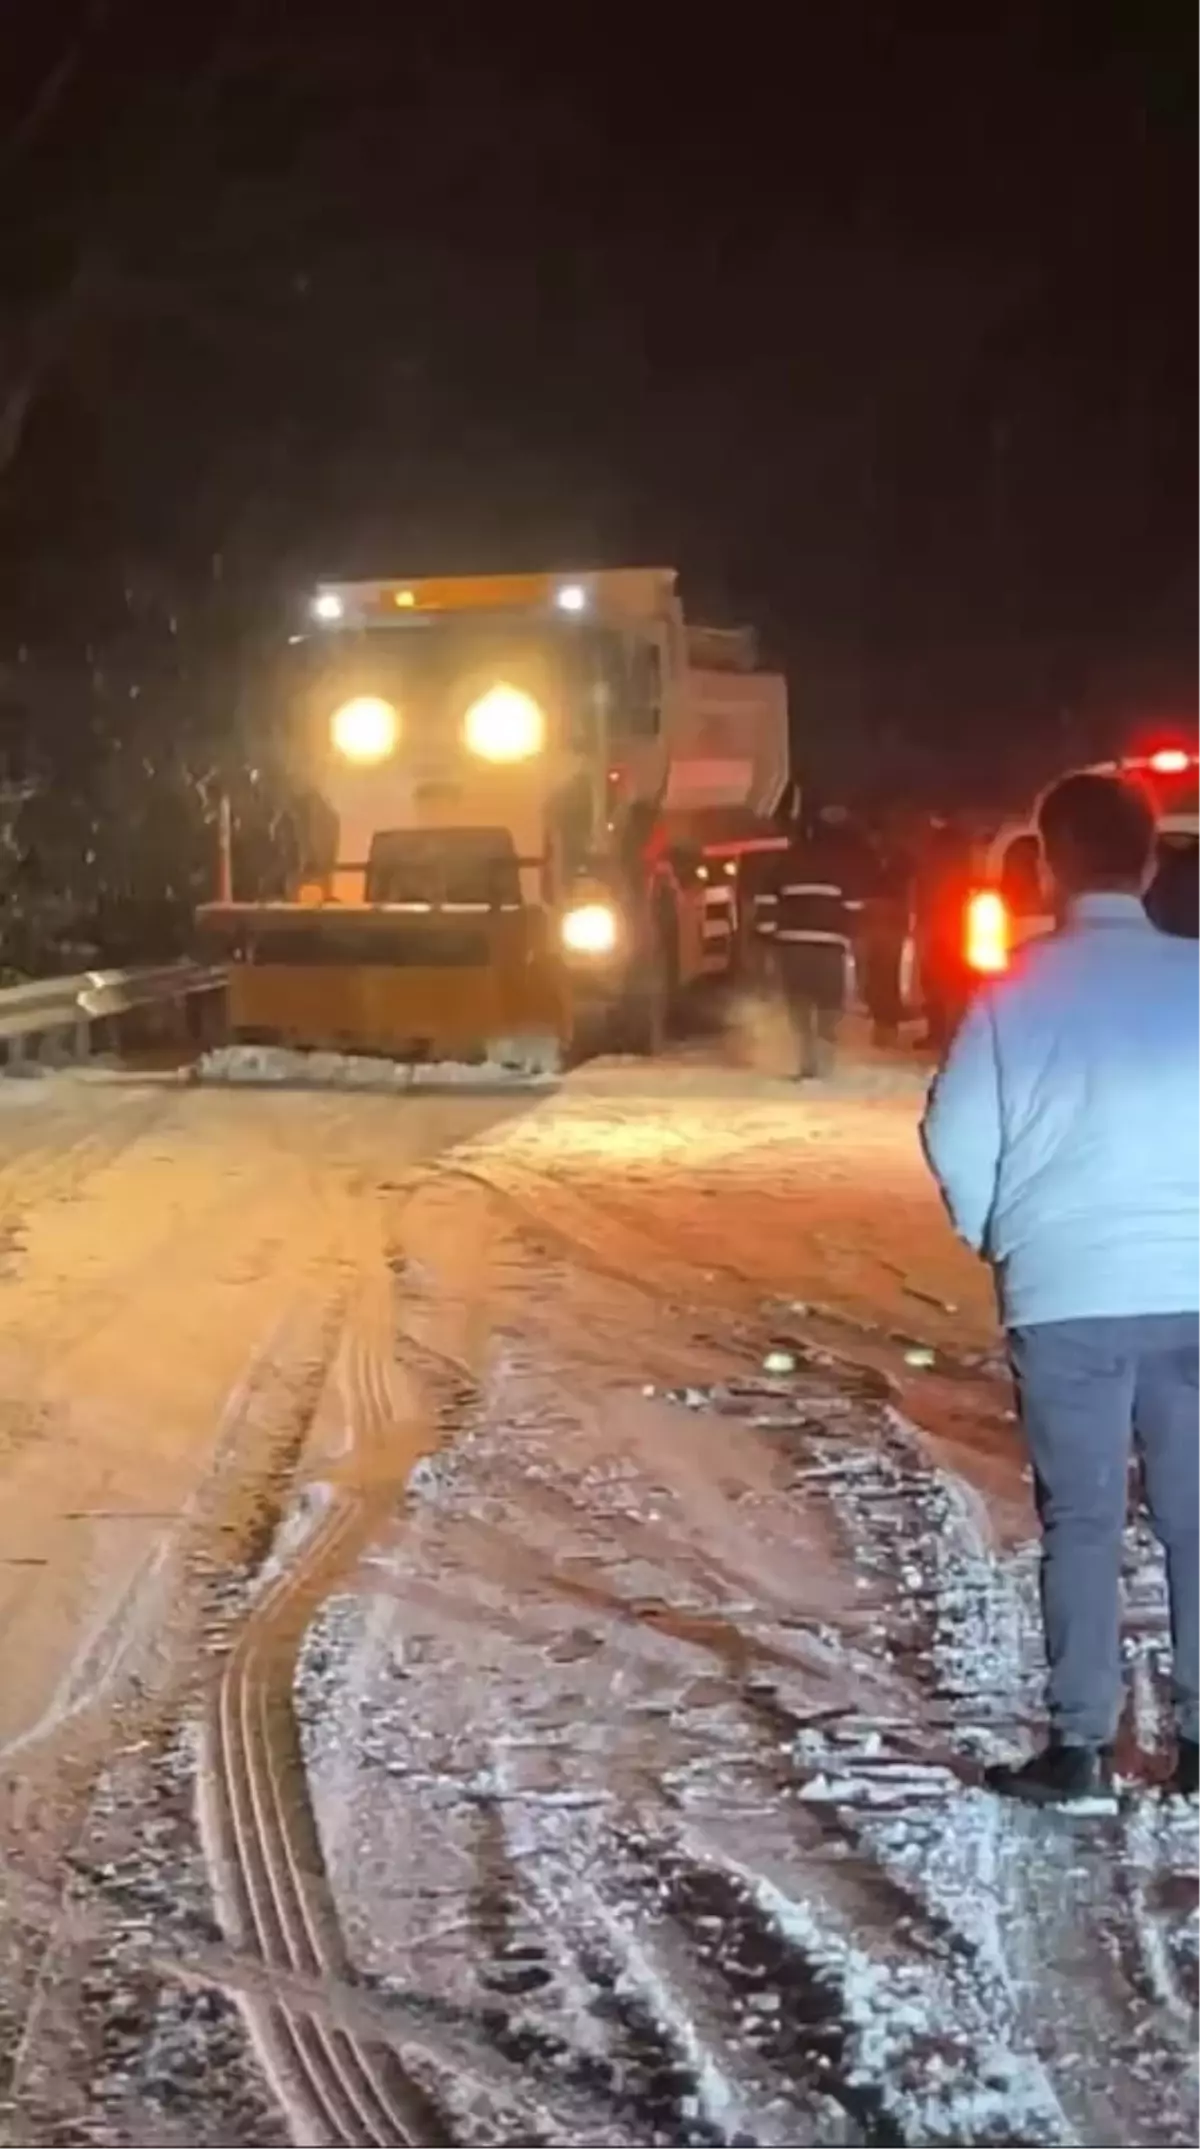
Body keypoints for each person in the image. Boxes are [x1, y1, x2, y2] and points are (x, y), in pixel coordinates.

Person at [921, 770, 1200, 1805]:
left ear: (1045, 866)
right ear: (1147, 860)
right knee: (1197, 1516)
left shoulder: (1012, 994)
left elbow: (954, 1136)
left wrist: (1004, 1235)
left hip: (1066, 1294)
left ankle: (1080, 1748)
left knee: (1082, 1520)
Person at [760, 802, 855, 1079]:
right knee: (828, 1005)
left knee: (799, 1004)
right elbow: (852, 910)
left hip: (793, 948)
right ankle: (825, 1059)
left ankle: (806, 1059)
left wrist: (767, 939)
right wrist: (849, 938)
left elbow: (767, 905)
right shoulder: (840, 867)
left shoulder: (784, 864)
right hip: (829, 949)